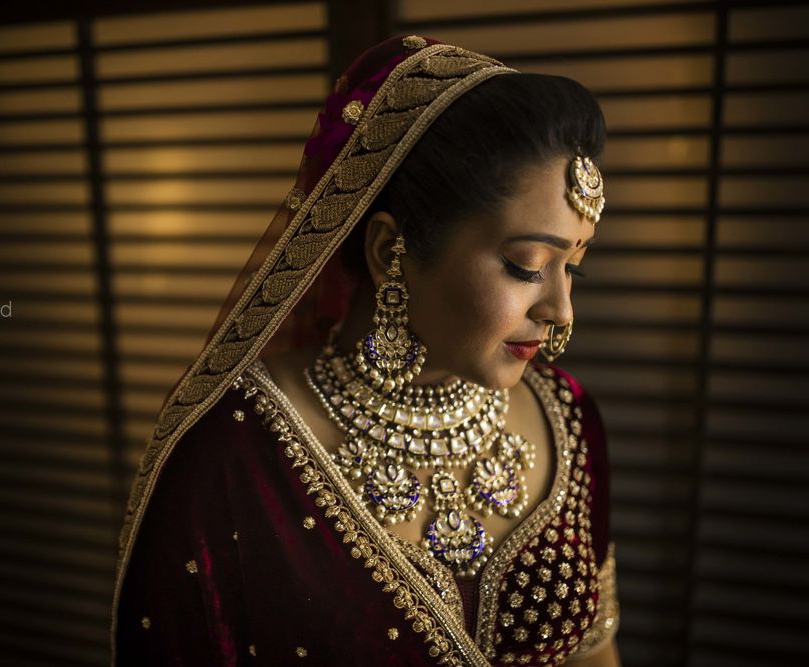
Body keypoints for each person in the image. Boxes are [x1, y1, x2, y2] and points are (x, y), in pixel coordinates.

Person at [111, 35, 621, 667]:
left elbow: (595, 654)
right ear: (390, 253)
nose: (562, 312)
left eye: (576, 267)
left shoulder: (570, 417)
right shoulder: (231, 451)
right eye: (526, 266)